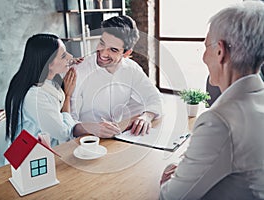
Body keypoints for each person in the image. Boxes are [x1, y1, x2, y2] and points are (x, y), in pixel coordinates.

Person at [160, 1, 264, 199]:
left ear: (220, 51)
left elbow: (172, 196)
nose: (203, 56)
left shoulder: (219, 121)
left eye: (206, 46)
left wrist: (170, 176)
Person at [71, 16, 163, 137]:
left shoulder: (131, 69)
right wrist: (90, 128)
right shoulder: (79, 70)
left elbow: (155, 98)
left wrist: (146, 116)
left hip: (117, 137)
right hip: (86, 140)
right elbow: (68, 123)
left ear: (126, 53)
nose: (103, 53)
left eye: (113, 50)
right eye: (102, 43)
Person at [5, 33, 86, 147]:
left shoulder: (49, 80)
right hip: (31, 157)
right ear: (48, 64)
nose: (70, 56)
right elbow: (63, 133)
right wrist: (67, 96)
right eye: (63, 56)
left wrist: (69, 62)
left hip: (47, 149)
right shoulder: (33, 96)